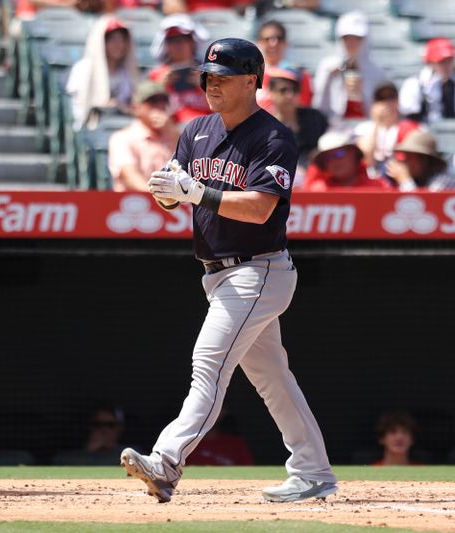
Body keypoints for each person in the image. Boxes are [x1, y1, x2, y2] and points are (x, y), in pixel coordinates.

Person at [121, 38, 338, 504]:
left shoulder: (273, 136)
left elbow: (260, 208)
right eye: (208, 75)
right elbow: (179, 191)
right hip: (216, 273)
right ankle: (314, 471)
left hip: (258, 270)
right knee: (274, 380)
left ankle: (166, 461)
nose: (211, 83)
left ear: (251, 81)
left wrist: (195, 193)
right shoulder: (195, 129)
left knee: (208, 364)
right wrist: (168, 192)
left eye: (223, 76)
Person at [312, 11, 388, 124]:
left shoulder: (377, 72)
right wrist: (329, 78)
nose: (352, 43)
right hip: (333, 126)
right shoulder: (327, 66)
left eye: (357, 38)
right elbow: (319, 107)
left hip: (366, 126)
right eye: (346, 38)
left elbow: (379, 112)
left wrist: (361, 90)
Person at [66, 15, 140, 130]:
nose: (119, 45)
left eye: (122, 40)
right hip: (92, 126)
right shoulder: (83, 68)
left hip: (125, 126)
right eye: (113, 39)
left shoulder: (128, 71)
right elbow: (78, 108)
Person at [108, 80, 182, 191]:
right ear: (136, 108)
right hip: (136, 203)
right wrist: (159, 197)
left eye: (164, 101)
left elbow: (191, 172)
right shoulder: (122, 138)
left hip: (176, 203)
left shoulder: (175, 134)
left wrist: (172, 133)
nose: (160, 106)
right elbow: (129, 176)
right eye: (153, 101)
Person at [266, 66, 328, 185]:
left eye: (294, 90)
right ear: (271, 92)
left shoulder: (315, 117)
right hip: (280, 180)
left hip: (317, 177)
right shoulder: (265, 124)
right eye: (283, 90)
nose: (290, 95)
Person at [147, 13, 211, 124]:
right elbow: (147, 111)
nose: (178, 44)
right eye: (172, 40)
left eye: (184, 38)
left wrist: (203, 87)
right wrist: (159, 87)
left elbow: (224, 108)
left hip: (206, 128)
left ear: (193, 41)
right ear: (165, 44)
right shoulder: (156, 74)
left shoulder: (210, 72)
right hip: (170, 131)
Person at [354, 81, 420, 178]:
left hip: (401, 175)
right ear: (374, 103)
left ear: (398, 101)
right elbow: (366, 159)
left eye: (391, 97)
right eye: (381, 99)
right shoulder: (364, 128)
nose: (387, 103)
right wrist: (377, 122)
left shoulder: (410, 127)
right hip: (371, 178)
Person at [300, 130, 391, 191]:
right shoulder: (317, 190)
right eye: (328, 158)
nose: (334, 161)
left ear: (354, 154)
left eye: (339, 154)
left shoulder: (377, 187)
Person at [255, 20, 313, 113]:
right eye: (267, 39)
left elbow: (304, 107)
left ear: (286, 43)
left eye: (279, 38)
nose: (273, 43)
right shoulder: (250, 74)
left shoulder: (299, 75)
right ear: (259, 42)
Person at [399, 37, 455, 124]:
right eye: (441, 62)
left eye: (449, 61)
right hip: (425, 134)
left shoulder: (452, 82)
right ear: (430, 62)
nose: (446, 66)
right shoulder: (414, 84)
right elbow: (409, 120)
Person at [384, 129, 455, 191]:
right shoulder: (418, 180)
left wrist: (405, 181)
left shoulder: (442, 180)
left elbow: (426, 204)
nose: (404, 162)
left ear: (425, 160)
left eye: (409, 157)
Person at [186, 409, 254, 466]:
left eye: (212, 410)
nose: (208, 414)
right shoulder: (187, 442)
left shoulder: (236, 444)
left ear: (222, 412)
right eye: (204, 409)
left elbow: (249, 471)